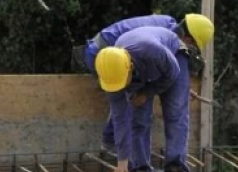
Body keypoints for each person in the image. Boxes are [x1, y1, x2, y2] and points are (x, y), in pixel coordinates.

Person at [73, 13, 214, 150]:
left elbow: (159, 70)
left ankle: (114, 143)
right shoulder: (158, 42)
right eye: (192, 45)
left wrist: (182, 89)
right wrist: (149, 91)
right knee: (130, 97)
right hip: (103, 55)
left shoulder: (165, 25)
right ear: (189, 39)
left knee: (133, 94)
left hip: (101, 50)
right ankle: (112, 143)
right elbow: (151, 71)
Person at [94, 25, 199, 172]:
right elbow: (120, 118)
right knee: (138, 120)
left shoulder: (153, 51)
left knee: (175, 113)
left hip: (173, 59)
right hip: (142, 69)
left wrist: (147, 92)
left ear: (129, 68)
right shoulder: (111, 72)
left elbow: (172, 73)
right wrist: (122, 163)